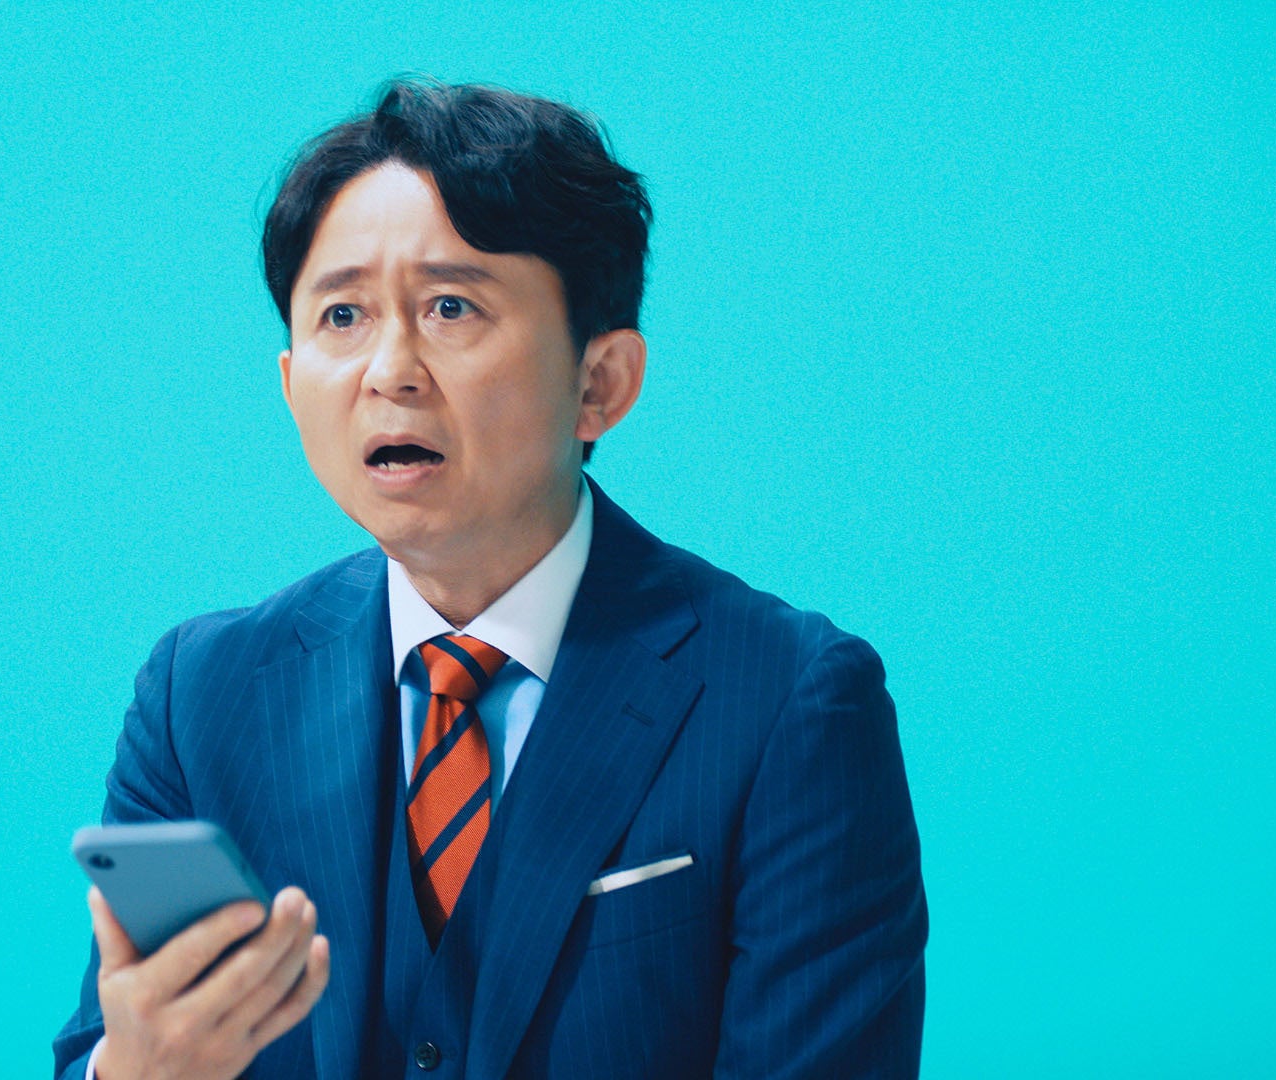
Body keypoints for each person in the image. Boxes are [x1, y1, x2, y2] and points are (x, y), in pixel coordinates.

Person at [52, 78, 928, 1080]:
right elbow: (100, 1048)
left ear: (601, 383)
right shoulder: (201, 695)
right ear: (292, 386)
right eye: (342, 314)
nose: (389, 369)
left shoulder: (788, 701)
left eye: (450, 307)